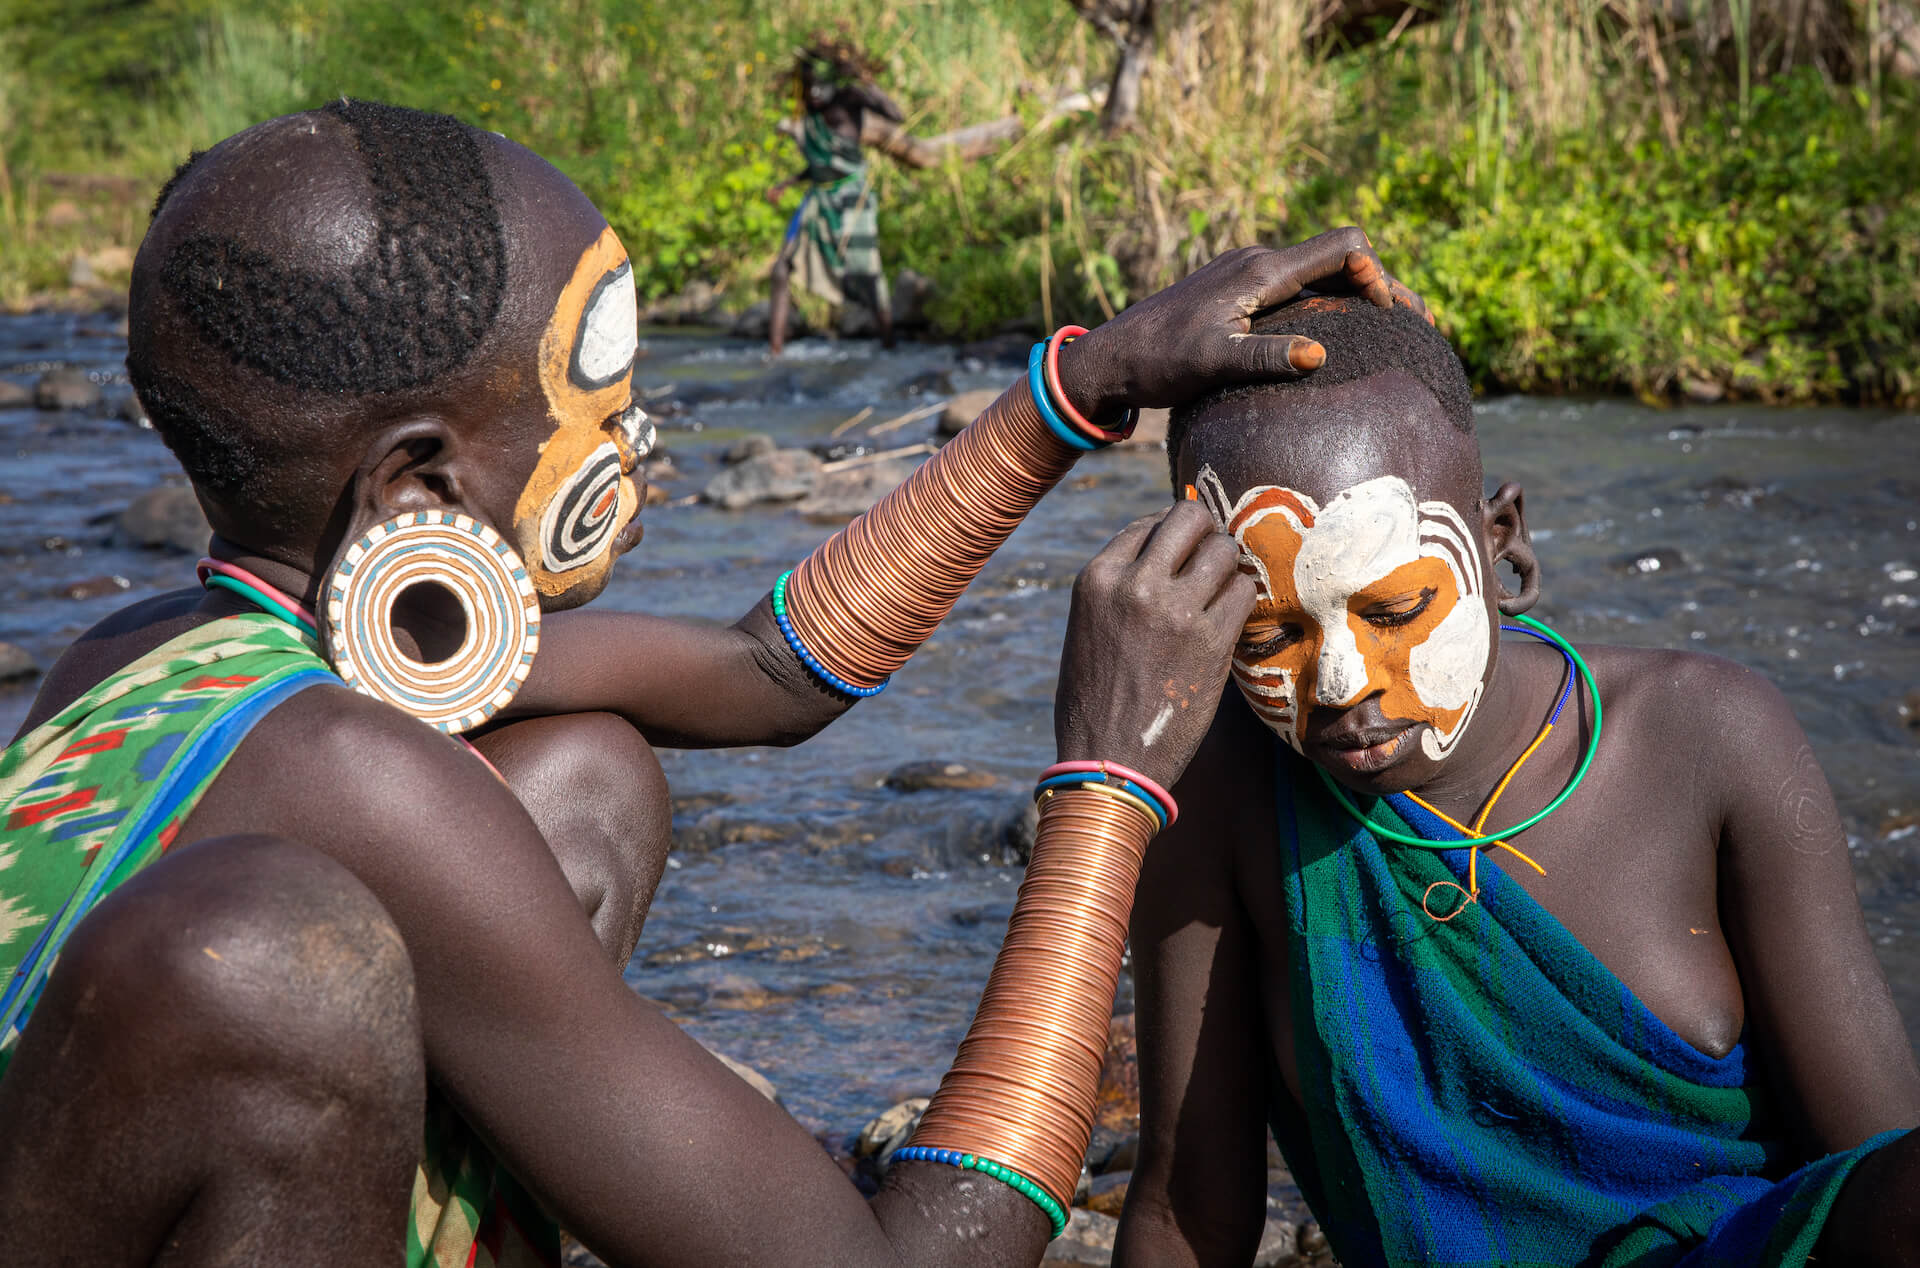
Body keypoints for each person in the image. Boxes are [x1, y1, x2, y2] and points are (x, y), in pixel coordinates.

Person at [0, 98, 1422, 1267]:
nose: (642, 444)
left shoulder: (141, 652)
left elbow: (770, 670)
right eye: (599, 409)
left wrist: (1079, 387)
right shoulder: (364, 784)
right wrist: (1106, 787)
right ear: (417, 484)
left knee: (583, 782)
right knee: (283, 952)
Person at [1110, 294, 1920, 1266]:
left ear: (1502, 541)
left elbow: (1880, 1166)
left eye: (1398, 606)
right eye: (1270, 632)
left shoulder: (1708, 734)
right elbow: (1185, 1202)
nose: (1341, 682)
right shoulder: (1222, 801)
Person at [764, 38, 902, 357]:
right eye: (807, 86)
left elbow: (896, 115)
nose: (813, 94)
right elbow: (820, 165)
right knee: (781, 268)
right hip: (817, 198)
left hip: (853, 197)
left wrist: (868, 83)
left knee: (867, 273)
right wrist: (787, 183)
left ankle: (889, 342)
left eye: (818, 85)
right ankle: (774, 351)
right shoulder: (809, 116)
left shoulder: (849, 100)